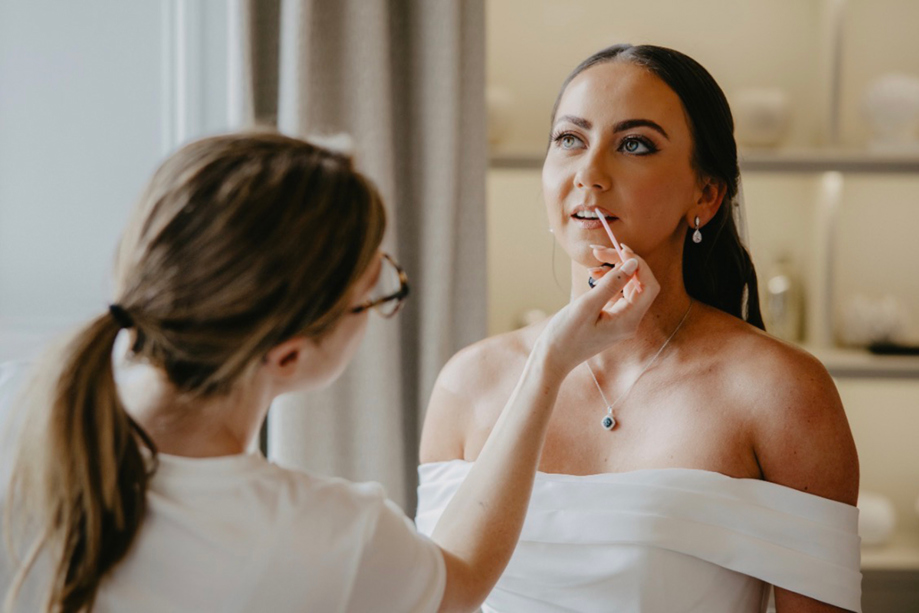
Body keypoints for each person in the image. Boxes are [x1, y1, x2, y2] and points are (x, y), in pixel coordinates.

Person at [0, 133, 656, 613]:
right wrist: (549, 367)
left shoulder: (16, 411)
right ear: (288, 355)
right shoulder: (324, 536)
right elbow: (458, 580)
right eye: (376, 294)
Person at [417, 44, 862, 613]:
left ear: (706, 194)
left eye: (635, 144)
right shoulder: (469, 382)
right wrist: (548, 366)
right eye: (569, 139)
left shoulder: (781, 392)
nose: (589, 173)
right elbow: (434, 598)